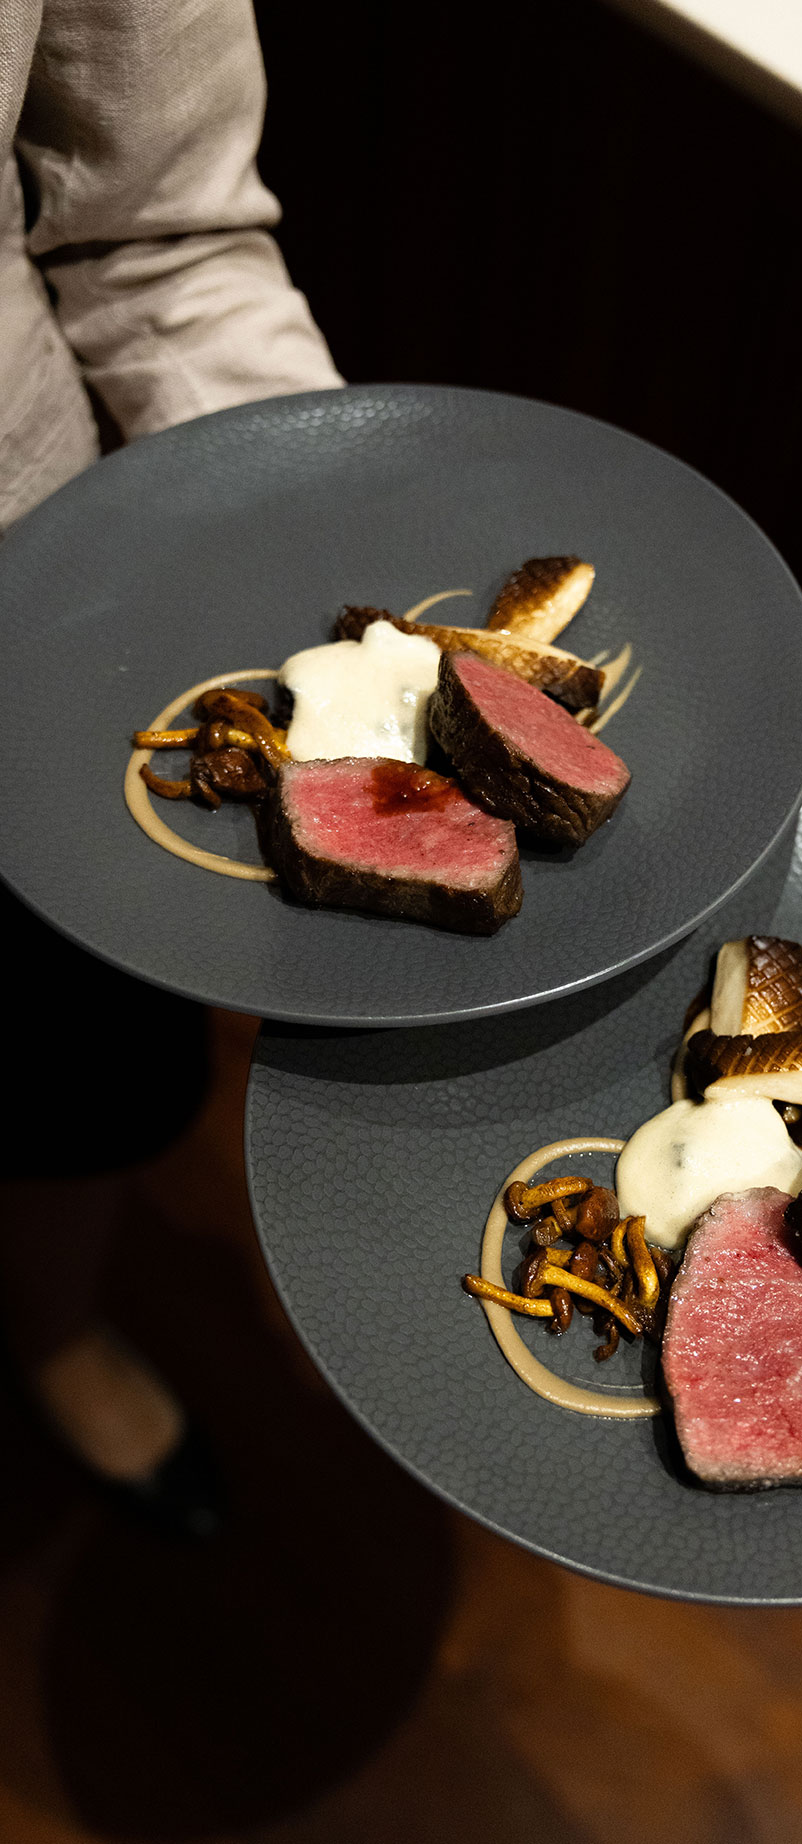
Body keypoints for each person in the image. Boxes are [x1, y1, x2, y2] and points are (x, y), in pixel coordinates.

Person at [0, 0, 342, 1532]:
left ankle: (45, 1329)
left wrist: (338, 590)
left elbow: (155, 237)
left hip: (30, 625)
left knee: (80, 1079)